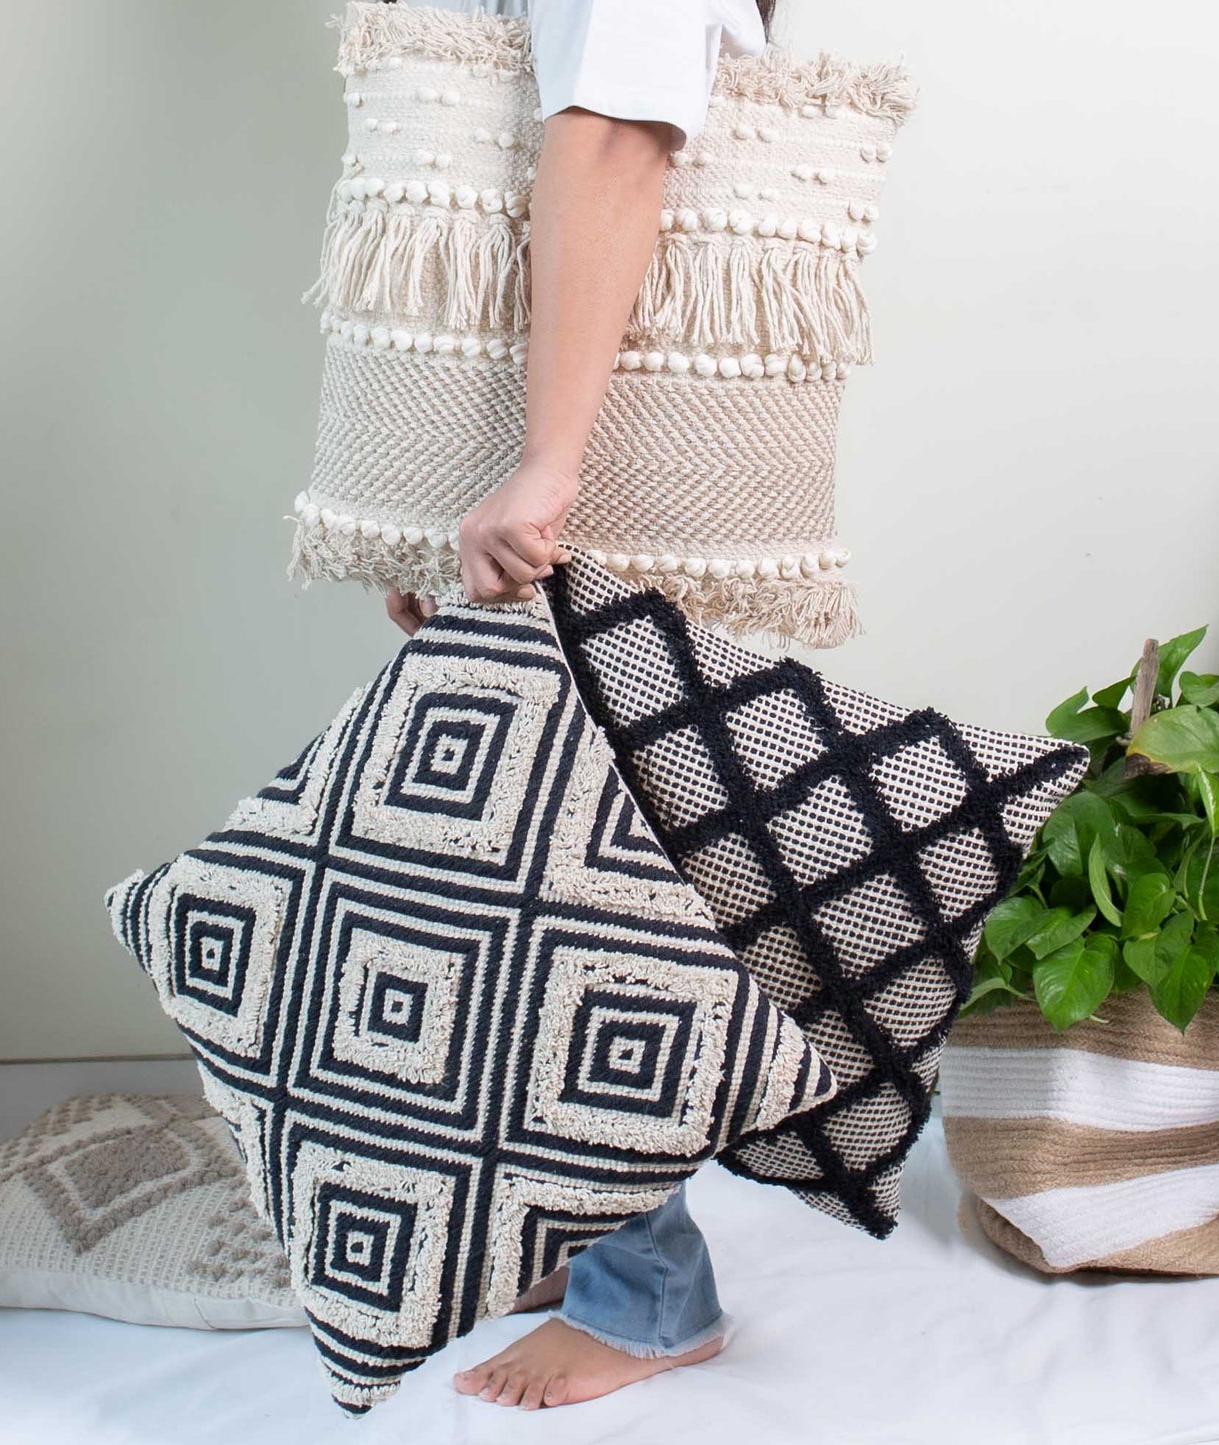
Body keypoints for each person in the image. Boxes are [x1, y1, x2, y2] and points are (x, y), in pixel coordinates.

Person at [379, 0, 776, 1411]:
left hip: (590, 444)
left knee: (575, 862)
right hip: (544, 426)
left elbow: (613, 137)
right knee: (507, 842)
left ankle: (647, 1293)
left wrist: (544, 463)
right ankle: (569, 1229)